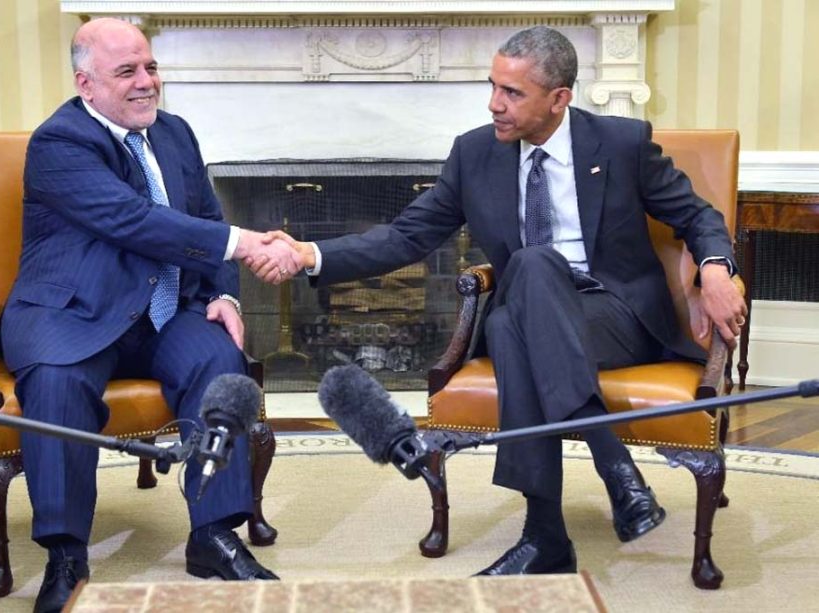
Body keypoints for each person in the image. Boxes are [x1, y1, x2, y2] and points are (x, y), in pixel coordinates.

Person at [253, 26, 746, 575]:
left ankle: (549, 533)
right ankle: (605, 484)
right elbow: (406, 236)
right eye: (493, 87)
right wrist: (310, 255)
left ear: (559, 98)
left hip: (615, 314)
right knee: (520, 306)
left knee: (524, 292)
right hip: (536, 316)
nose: (494, 104)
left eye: (512, 93)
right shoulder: (474, 154)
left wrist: (716, 269)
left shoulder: (623, 142)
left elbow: (698, 215)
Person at [1, 18, 298, 613]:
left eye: (151, 67)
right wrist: (244, 245)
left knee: (220, 362)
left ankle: (213, 534)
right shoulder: (59, 142)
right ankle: (65, 554)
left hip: (163, 313)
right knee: (58, 383)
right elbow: (136, 221)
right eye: (127, 72)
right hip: (74, 312)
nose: (146, 83)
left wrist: (225, 295)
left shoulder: (176, 133)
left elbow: (207, 220)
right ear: (86, 84)